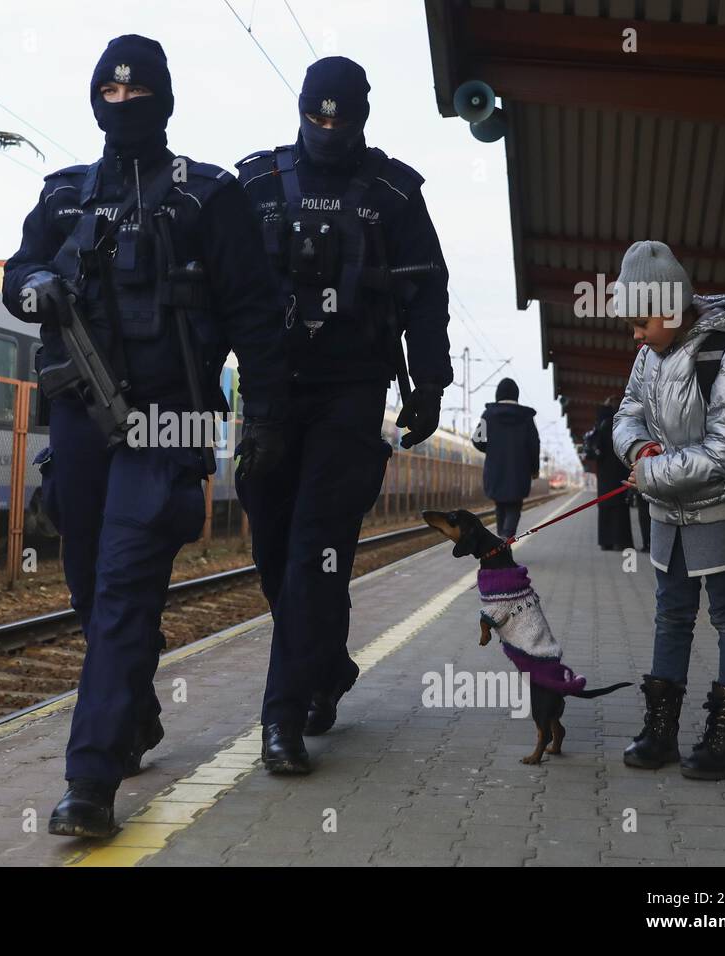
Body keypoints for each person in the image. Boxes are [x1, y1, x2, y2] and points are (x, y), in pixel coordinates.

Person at [2, 35, 290, 836]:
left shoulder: (209, 199)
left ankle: (90, 782)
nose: (121, 106)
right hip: (79, 419)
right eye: (109, 94)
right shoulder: (63, 197)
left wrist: (262, 413)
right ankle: (132, 713)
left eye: (136, 95)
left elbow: (256, 316)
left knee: (127, 587)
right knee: (91, 586)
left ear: (163, 100)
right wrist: (38, 286)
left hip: (171, 420)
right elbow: (14, 274)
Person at [235, 56, 451, 773]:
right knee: (273, 553)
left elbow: (426, 295)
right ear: (300, 111)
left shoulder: (394, 193)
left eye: (341, 118)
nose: (327, 130)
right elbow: (214, 292)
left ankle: (282, 719)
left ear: (362, 117)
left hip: (352, 393)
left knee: (313, 553)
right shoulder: (258, 183)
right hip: (269, 393)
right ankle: (325, 668)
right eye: (315, 116)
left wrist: (429, 384)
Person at [611, 240, 725, 781]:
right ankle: (661, 731)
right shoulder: (647, 357)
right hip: (667, 517)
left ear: (672, 307)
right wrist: (636, 449)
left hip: (721, 515)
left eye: (641, 321)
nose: (635, 334)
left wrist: (651, 472)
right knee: (670, 616)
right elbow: (627, 410)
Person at [471, 378, 539, 539]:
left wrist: (492, 450)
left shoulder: (488, 415)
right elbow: (534, 445)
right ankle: (504, 540)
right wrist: (534, 469)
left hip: (495, 470)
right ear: (516, 396)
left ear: (497, 395)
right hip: (519, 471)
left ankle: (502, 541)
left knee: (500, 505)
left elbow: (477, 440)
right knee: (514, 507)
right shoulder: (526, 418)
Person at [592, 397, 634, 551]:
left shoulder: (601, 426)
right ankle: (620, 542)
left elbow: (595, 450)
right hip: (620, 472)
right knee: (620, 509)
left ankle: (605, 542)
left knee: (605, 507)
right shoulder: (621, 426)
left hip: (604, 475)